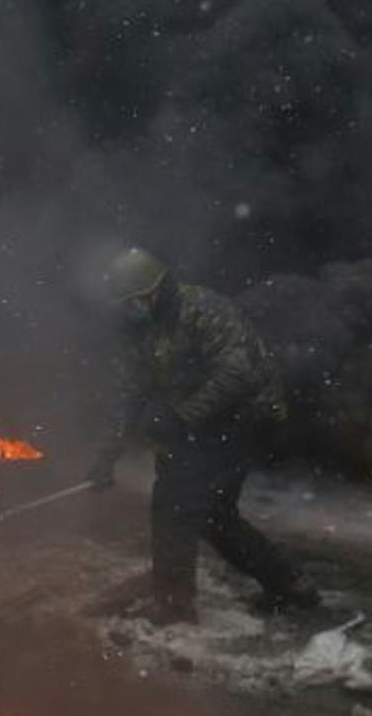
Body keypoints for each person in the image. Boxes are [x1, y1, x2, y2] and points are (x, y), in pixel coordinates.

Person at [86, 247, 318, 624]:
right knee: (215, 517)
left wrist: (183, 419)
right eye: (125, 304)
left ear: (154, 292)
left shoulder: (202, 309)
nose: (131, 310)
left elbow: (238, 371)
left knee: (173, 503)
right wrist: (107, 456)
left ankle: (174, 607)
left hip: (247, 415)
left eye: (135, 301)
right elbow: (131, 394)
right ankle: (290, 583)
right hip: (205, 423)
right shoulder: (141, 333)